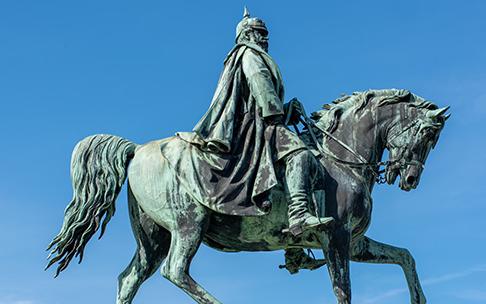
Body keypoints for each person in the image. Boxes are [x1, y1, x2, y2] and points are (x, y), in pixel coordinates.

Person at [178, 8, 333, 236]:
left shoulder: (246, 55)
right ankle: (298, 213)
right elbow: (260, 87)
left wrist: (288, 108)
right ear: (248, 34)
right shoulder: (249, 55)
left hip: (257, 119)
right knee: (300, 154)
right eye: (260, 33)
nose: (265, 38)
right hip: (255, 126)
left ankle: (294, 248)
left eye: (265, 33)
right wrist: (278, 112)